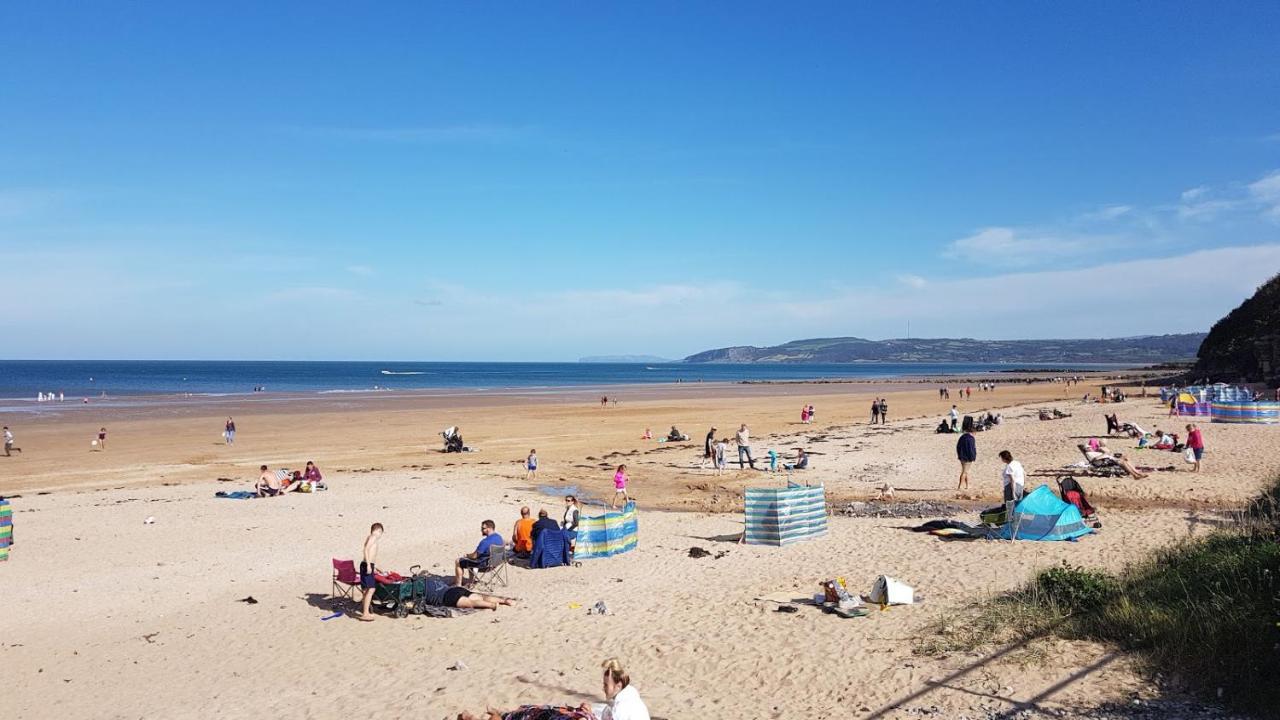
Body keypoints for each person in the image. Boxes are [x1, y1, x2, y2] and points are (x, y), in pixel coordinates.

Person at [423, 575, 514, 612]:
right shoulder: (432, 580)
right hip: (455, 589)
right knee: (481, 597)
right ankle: (504, 600)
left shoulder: (420, 592)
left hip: (448, 597)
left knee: (471, 603)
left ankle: (492, 605)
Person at [455, 520, 504, 586]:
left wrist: (467, 555)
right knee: (471, 561)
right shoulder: (499, 538)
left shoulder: (485, 542)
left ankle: (458, 584)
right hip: (496, 563)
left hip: (485, 565)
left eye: (483, 528)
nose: (481, 530)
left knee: (458, 561)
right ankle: (470, 582)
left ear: (489, 529)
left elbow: (474, 556)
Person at [357, 523, 383, 621]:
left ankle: (365, 610)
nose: (380, 536)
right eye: (381, 533)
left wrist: (374, 566)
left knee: (367, 590)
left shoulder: (370, 538)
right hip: (366, 565)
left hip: (368, 565)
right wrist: (368, 565)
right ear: (378, 530)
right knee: (371, 589)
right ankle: (365, 613)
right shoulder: (373, 537)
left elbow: (370, 553)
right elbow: (366, 550)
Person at [1085, 444, 1149, 479]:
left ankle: (1137, 472)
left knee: (1126, 458)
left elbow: (1104, 454)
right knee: (1122, 462)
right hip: (1105, 461)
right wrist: (1104, 454)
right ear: (1087, 449)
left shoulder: (1093, 452)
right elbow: (1094, 459)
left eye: (1090, 447)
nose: (1091, 448)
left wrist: (1105, 453)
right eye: (1089, 447)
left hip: (1108, 459)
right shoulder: (1089, 453)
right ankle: (1135, 475)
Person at [956, 426, 976, 491]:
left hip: (962, 457)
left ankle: (967, 485)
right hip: (967, 457)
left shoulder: (962, 437)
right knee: (964, 472)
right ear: (973, 432)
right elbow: (971, 449)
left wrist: (959, 455)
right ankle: (960, 486)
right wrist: (973, 457)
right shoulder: (971, 438)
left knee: (965, 471)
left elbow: (958, 447)